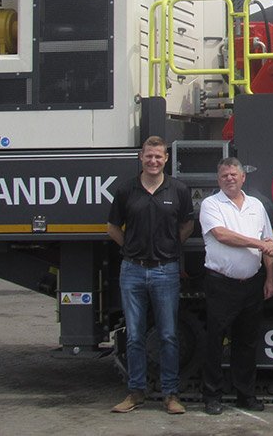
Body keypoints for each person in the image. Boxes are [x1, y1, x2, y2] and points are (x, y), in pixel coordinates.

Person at [107, 136, 194, 415]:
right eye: (149, 156)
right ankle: (135, 393)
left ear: (166, 158)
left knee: (168, 335)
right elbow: (112, 227)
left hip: (165, 270)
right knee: (134, 336)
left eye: (158, 157)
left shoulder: (178, 190)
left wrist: (167, 248)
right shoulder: (126, 190)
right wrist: (132, 249)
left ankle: (170, 395)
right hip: (132, 270)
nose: (153, 161)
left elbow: (187, 225)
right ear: (140, 158)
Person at [199, 157, 273, 415]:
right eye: (224, 176)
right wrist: (258, 244)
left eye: (234, 174)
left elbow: (269, 243)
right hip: (221, 285)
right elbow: (222, 235)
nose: (230, 178)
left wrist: (270, 278)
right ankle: (212, 396)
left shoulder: (256, 206)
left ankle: (246, 395)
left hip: (252, 285)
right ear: (218, 180)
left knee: (246, 342)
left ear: (243, 177)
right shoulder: (211, 205)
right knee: (215, 341)